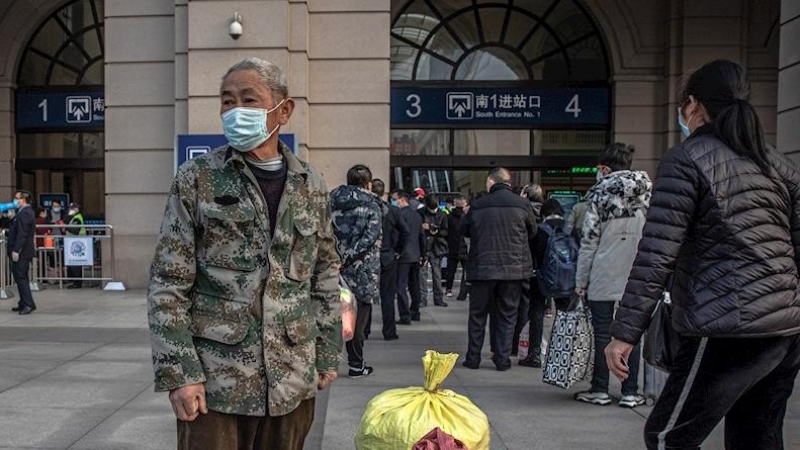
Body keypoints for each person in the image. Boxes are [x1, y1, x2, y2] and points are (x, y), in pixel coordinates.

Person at [148, 58, 342, 450]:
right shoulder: (197, 177)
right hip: (216, 384)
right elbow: (169, 284)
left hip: (291, 379)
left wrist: (326, 353)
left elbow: (324, 274)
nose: (236, 111)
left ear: (282, 110)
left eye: (249, 100)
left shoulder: (311, 183)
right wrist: (180, 373)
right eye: (227, 101)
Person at [608, 60, 800, 449]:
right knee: (757, 438)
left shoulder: (688, 159)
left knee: (667, 437)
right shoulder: (779, 165)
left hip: (725, 327)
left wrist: (624, 333)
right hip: (783, 330)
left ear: (693, 105)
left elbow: (657, 254)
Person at [572, 143, 652, 408]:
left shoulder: (598, 195)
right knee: (632, 334)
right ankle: (630, 392)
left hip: (603, 276)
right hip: (638, 276)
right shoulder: (647, 192)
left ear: (604, 168)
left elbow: (589, 242)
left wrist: (581, 282)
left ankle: (600, 389)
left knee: (603, 335)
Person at [461, 168, 537, 371]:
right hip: (512, 270)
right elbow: (532, 231)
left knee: (477, 316)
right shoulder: (522, 204)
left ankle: (473, 358)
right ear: (508, 182)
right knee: (507, 315)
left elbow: (464, 229)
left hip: (482, 268)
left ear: (490, 181)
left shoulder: (478, 205)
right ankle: (502, 359)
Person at [331, 165, 383, 377]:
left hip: (332, 270)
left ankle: (327, 364)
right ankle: (356, 364)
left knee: (332, 317)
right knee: (358, 321)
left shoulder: (331, 201)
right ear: (367, 183)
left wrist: (336, 257)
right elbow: (369, 239)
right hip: (361, 272)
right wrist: (348, 258)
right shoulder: (372, 205)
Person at [519, 199, 569, 367]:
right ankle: (562, 354)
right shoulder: (570, 229)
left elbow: (531, 254)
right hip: (566, 280)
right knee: (564, 316)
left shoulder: (540, 231)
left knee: (536, 313)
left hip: (540, 278)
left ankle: (534, 354)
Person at [372, 179, 409, 341]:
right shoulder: (393, 210)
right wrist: (397, 250)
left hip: (369, 256)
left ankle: (363, 331)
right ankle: (389, 331)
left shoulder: (365, 208)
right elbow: (405, 231)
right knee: (387, 295)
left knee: (364, 297)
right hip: (388, 255)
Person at [513, 184, 544, 356]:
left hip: (524, 264)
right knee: (536, 308)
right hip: (542, 267)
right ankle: (534, 348)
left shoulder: (523, 210)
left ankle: (517, 345)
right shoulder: (545, 212)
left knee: (522, 307)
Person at [392, 189, 426, 323]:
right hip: (415, 254)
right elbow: (422, 236)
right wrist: (423, 254)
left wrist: (396, 250)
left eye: (394, 199)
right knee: (414, 284)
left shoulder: (399, 215)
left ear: (401, 199)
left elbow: (397, 235)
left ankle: (405, 315)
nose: (393, 201)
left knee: (401, 285)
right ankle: (415, 311)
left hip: (403, 255)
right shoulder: (417, 216)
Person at [7, 190, 36, 315]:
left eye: (16, 198)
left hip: (22, 251)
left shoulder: (25, 213)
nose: (15, 200)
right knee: (20, 277)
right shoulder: (23, 212)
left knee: (21, 276)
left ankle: (28, 304)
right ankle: (24, 302)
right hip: (23, 250)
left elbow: (22, 234)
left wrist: (16, 250)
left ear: (23, 200)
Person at [419, 194, 449, 308]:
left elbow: (446, 231)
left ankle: (438, 298)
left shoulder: (442, 214)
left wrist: (434, 229)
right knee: (423, 274)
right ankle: (423, 299)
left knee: (436, 274)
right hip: (425, 246)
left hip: (436, 246)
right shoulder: (421, 212)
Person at [443, 196, 469, 301]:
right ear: (464, 205)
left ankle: (448, 289)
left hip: (452, 246)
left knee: (451, 270)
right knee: (465, 271)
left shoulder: (449, 217)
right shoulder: (466, 217)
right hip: (464, 247)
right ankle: (463, 292)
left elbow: (446, 232)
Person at [64, 202, 86, 289]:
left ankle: (77, 283)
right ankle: (75, 282)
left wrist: (65, 227)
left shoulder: (77, 218)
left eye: (72, 209)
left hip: (77, 243)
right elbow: (66, 220)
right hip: (73, 243)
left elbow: (75, 230)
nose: (71, 210)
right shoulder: (73, 217)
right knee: (74, 264)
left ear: (77, 209)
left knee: (76, 265)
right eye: (70, 208)